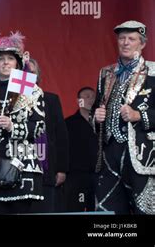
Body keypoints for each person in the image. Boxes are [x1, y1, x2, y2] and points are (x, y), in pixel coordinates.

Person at [0, 32, 45, 214]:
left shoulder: (31, 90)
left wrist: (13, 126)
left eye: (10, 58)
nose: (5, 62)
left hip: (20, 166)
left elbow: (39, 127)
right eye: (1, 59)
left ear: (17, 63)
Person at [93, 20, 155, 214]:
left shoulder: (154, 72)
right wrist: (96, 117)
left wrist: (139, 115)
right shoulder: (105, 73)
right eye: (122, 38)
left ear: (142, 44)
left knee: (144, 210)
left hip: (141, 156)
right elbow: (96, 108)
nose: (126, 43)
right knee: (106, 211)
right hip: (109, 154)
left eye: (131, 39)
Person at [27, 58, 69, 213]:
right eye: (24, 72)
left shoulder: (50, 99)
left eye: (31, 72)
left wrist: (62, 169)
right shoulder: (11, 101)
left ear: (38, 76)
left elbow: (61, 136)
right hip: (19, 168)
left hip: (46, 167)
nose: (28, 76)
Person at [65, 87, 98, 212]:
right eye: (87, 96)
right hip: (76, 176)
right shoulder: (68, 123)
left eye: (93, 97)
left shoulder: (101, 123)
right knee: (76, 208)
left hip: (98, 174)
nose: (91, 100)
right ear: (79, 101)